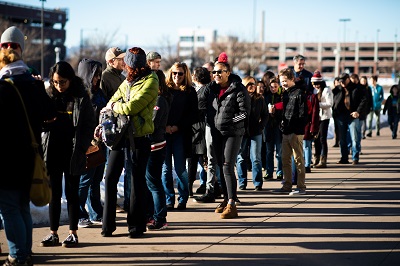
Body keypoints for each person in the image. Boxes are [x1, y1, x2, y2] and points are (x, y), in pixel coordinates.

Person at [0, 26, 56, 265]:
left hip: (7, 159)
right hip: (31, 156)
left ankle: (18, 255)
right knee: (22, 206)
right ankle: (25, 251)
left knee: (10, 208)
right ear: (21, 51)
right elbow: (49, 113)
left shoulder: (3, 86)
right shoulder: (33, 83)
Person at [100, 47, 159, 238]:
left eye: (129, 63)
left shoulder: (151, 80)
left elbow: (133, 106)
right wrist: (116, 105)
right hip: (120, 135)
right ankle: (107, 225)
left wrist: (116, 106)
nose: (126, 67)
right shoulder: (128, 80)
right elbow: (112, 99)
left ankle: (136, 226)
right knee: (110, 178)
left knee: (136, 183)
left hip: (139, 138)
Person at [40, 61, 96, 248]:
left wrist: (83, 145)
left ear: (70, 79)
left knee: (72, 193)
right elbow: (40, 122)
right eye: (55, 82)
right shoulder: (48, 96)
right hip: (53, 150)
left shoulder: (81, 97)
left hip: (73, 151)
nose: (59, 86)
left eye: (62, 82)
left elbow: (89, 124)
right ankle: (53, 233)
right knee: (54, 194)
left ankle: (73, 233)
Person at [207, 52, 250, 218]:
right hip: (217, 132)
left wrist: (231, 122)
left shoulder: (238, 89)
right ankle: (225, 199)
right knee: (220, 165)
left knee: (227, 165)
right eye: (214, 72)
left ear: (228, 73)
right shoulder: (214, 89)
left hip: (233, 133)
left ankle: (232, 203)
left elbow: (245, 113)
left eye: (220, 72)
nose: (216, 74)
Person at [162, 62, 198, 211]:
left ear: (185, 75)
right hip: (164, 133)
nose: (177, 76)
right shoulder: (164, 90)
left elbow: (193, 115)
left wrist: (177, 127)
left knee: (180, 168)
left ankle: (183, 198)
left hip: (180, 134)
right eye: (174, 73)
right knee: (165, 169)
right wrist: (164, 127)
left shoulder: (190, 92)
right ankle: (169, 199)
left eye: (180, 73)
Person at [76, 58, 107, 228]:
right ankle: (79, 213)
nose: (98, 78)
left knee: (96, 180)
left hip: (100, 142)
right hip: (87, 143)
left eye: (99, 74)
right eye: (95, 74)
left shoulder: (100, 93)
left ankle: (95, 212)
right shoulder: (81, 95)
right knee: (85, 180)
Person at [100, 47, 129, 213]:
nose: (123, 62)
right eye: (120, 59)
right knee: (109, 169)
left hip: (122, 128)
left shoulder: (121, 76)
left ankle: (117, 199)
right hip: (111, 130)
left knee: (119, 168)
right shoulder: (106, 77)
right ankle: (108, 203)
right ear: (111, 61)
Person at [273, 67, 307, 195]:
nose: (283, 84)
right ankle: (287, 185)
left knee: (298, 160)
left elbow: (304, 114)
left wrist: (297, 128)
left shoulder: (299, 93)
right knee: (285, 159)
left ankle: (301, 186)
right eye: (282, 81)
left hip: (296, 132)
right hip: (286, 131)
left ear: (292, 79)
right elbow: (285, 113)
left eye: (285, 81)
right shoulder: (285, 93)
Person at [145, 70, 172, 230]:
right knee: (150, 182)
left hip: (155, 145)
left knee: (154, 182)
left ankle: (160, 218)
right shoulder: (155, 98)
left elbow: (151, 124)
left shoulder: (159, 99)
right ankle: (152, 215)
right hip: (152, 144)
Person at [236, 76, 268, 191]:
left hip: (256, 132)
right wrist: (238, 124)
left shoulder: (260, 99)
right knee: (241, 158)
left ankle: (258, 183)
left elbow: (265, 115)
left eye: (254, 84)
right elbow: (235, 116)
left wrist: (261, 126)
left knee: (256, 158)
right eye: (249, 84)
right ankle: (242, 182)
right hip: (242, 132)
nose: (252, 86)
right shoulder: (239, 98)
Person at [332, 73, 367, 165]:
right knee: (342, 139)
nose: (342, 83)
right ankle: (344, 158)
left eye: (344, 81)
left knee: (354, 138)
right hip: (341, 116)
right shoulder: (338, 89)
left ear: (348, 79)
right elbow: (333, 101)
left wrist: (358, 112)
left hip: (353, 115)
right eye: (340, 82)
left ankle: (355, 158)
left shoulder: (357, 88)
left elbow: (364, 100)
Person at [188, 67, 209, 198]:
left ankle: (192, 187)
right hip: (202, 128)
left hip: (198, 128)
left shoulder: (202, 91)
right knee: (202, 160)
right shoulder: (207, 90)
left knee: (196, 160)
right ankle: (203, 185)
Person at [311, 71, 333, 168]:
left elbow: (330, 103)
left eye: (317, 84)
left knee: (322, 138)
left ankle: (323, 160)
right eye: (313, 84)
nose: (315, 86)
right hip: (316, 117)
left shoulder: (326, 90)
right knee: (315, 139)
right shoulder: (314, 91)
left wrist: (317, 105)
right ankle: (316, 157)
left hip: (324, 117)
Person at [264, 77, 283, 181]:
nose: (273, 88)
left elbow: (283, 111)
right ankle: (269, 171)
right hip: (268, 128)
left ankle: (279, 172)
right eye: (271, 87)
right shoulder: (266, 97)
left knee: (279, 153)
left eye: (275, 86)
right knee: (269, 151)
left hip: (278, 127)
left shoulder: (281, 97)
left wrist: (275, 111)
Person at [332, 77, 341, 147]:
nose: (337, 84)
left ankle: (341, 141)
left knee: (341, 127)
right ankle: (336, 141)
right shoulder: (333, 91)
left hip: (341, 112)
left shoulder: (342, 91)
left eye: (338, 82)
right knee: (336, 127)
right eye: (336, 82)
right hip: (335, 112)